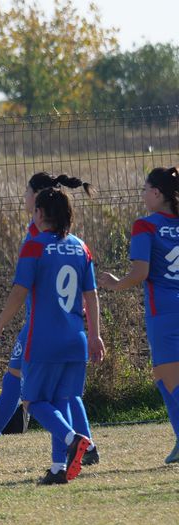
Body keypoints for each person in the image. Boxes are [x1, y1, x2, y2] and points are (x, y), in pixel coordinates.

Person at [0, 172, 95, 464]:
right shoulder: (71, 241)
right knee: (19, 382)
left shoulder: (37, 235)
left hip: (41, 329)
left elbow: (23, 288)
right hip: (61, 327)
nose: (24, 198)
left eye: (27, 192)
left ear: (39, 200)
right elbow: (82, 284)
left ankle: (81, 446)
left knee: (39, 395)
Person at [0, 187, 102, 484]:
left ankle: (73, 440)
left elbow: (18, 292)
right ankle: (57, 468)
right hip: (76, 339)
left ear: (40, 214)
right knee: (61, 401)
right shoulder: (81, 247)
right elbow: (91, 297)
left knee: (33, 401)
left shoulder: (35, 246)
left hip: (44, 339)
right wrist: (95, 336)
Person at [98, 167, 179, 464]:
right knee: (161, 376)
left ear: (157, 193)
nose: (143, 195)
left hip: (165, 311)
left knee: (171, 379)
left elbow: (140, 272)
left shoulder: (146, 225)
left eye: (145, 190)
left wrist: (116, 283)